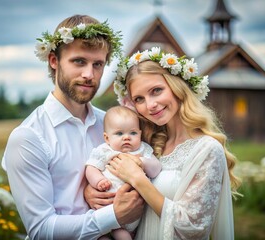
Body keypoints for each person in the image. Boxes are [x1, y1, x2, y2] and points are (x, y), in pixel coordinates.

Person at [1, 15, 144, 240]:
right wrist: (113, 215)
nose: (89, 74)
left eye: (98, 64)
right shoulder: (28, 137)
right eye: (79, 61)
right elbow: (41, 230)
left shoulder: (113, 125)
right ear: (53, 61)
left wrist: (87, 191)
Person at [87, 47, 241, 239]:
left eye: (156, 91)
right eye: (139, 99)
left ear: (177, 87)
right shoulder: (147, 144)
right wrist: (92, 192)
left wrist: (138, 179)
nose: (150, 105)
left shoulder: (206, 149)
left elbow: (193, 227)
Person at [85, 106, 162, 240]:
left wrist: (143, 162)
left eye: (133, 133)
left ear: (140, 133)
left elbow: (156, 169)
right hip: (111, 209)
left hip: (138, 212)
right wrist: (98, 181)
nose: (126, 137)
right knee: (114, 234)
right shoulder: (105, 151)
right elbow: (91, 168)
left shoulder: (143, 150)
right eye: (119, 134)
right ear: (107, 138)